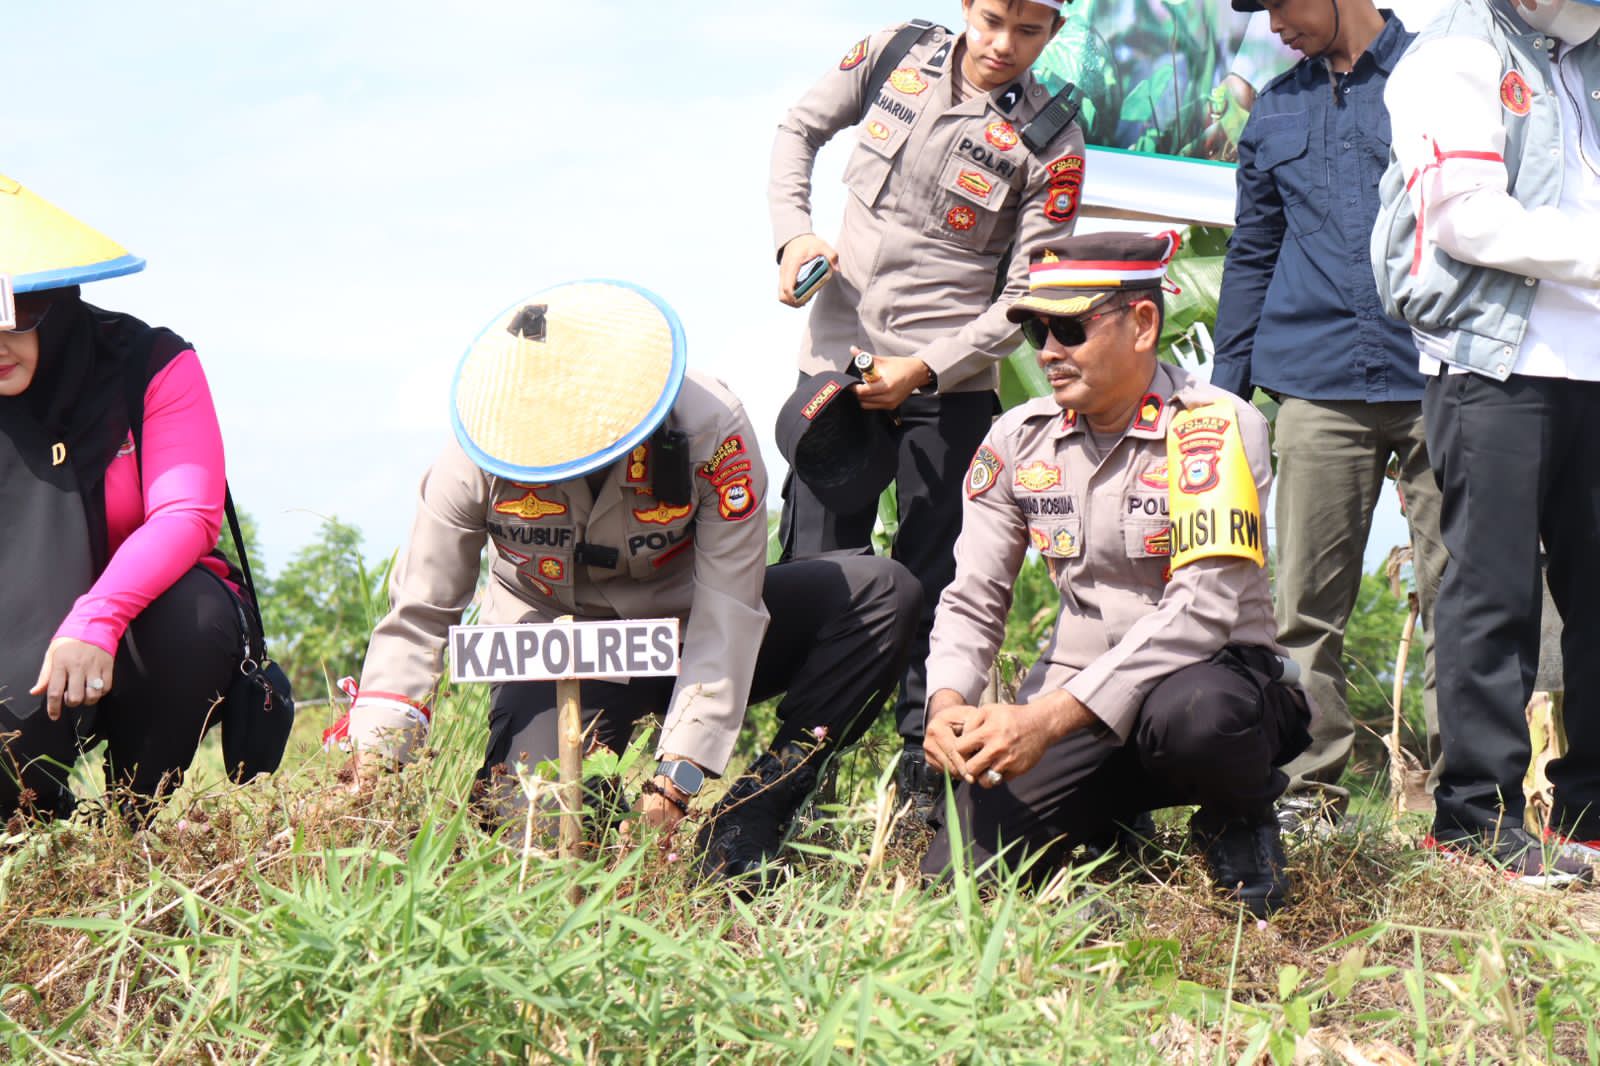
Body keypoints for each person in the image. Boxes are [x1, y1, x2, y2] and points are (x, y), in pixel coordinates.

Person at [332, 280, 920, 888]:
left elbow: (728, 612)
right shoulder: (476, 456)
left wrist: (677, 778)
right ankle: (588, 795)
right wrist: (375, 762)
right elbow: (421, 615)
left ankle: (759, 807)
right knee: (532, 846)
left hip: (691, 635)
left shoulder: (712, 432)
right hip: (560, 658)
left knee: (881, 594)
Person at [920, 233, 1312, 916]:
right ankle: (1109, 821)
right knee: (955, 878)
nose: (1046, 351)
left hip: (1204, 685)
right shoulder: (1016, 440)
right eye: (1038, 330)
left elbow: (1199, 612)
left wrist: (1042, 719)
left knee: (1200, 716)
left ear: (1143, 324)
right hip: (1073, 706)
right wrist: (947, 703)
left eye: (1069, 328)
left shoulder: (1216, 428)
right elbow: (974, 596)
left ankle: (1236, 816)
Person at [768, 0, 1087, 800]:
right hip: (833, 376)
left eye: (1028, 31)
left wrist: (926, 368)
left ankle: (923, 780)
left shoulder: (1053, 141)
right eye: (990, 20)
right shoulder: (890, 55)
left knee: (940, 585)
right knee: (817, 574)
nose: (1002, 45)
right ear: (967, 8)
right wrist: (793, 235)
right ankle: (795, 772)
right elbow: (795, 132)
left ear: (1053, 34)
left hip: (947, 391)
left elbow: (1024, 296)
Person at [1371, 0, 1600, 884]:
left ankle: (1587, 813)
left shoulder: (1579, 51)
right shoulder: (1454, 52)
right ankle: (1478, 820)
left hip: (1592, 362)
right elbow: (1468, 218)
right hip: (1497, 363)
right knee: (1492, 592)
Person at [1210, 0, 1444, 832]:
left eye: (1281, 2)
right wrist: (1227, 393)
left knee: (1464, 595)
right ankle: (1308, 796)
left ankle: (1470, 804)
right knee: (1302, 609)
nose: (1273, 24)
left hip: (1438, 379)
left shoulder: (1442, 75)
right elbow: (1252, 250)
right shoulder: (1274, 107)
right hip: (1313, 387)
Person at [0, 174, 252, 823]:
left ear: (57, 300)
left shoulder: (149, 364)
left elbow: (186, 513)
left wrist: (98, 616)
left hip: (128, 633)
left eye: (18, 312)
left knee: (195, 614)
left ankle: (132, 828)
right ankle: (30, 823)